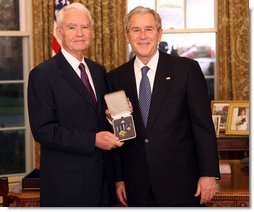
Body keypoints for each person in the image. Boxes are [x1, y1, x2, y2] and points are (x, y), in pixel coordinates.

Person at [107, 6, 220, 207]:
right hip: (136, 186)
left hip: (182, 184)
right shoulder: (115, 78)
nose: (142, 36)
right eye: (136, 30)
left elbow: (203, 126)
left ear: (159, 33)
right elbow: (119, 135)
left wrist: (209, 173)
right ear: (127, 35)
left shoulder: (186, 70)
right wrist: (119, 178)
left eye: (149, 29)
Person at [27, 3, 123, 207]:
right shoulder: (42, 75)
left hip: (103, 183)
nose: (80, 33)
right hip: (66, 187)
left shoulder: (98, 71)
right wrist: (92, 140)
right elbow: (43, 130)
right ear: (59, 33)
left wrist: (113, 114)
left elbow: (97, 118)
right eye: (72, 27)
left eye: (85, 27)